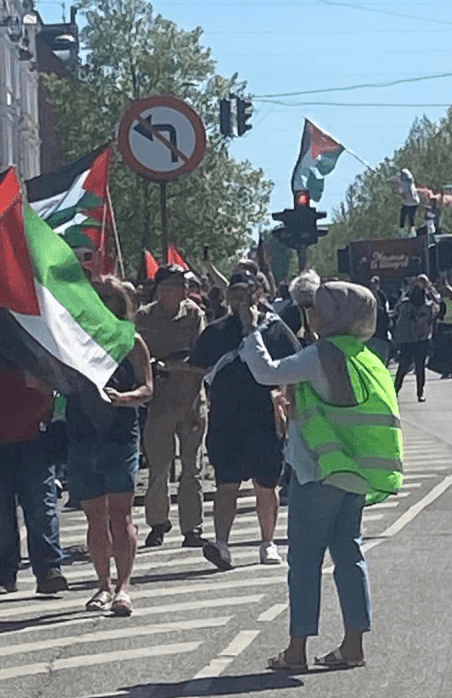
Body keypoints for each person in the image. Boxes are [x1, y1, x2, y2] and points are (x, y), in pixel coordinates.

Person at [242, 282, 401, 673]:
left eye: (316, 307)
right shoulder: (366, 356)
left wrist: (250, 329)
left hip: (321, 470)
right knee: (349, 554)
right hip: (358, 473)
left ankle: (296, 649)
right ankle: (353, 644)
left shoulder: (321, 354)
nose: (310, 313)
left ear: (330, 316)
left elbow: (266, 372)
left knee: (305, 560)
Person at [189, 271, 301, 571]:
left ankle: (268, 542)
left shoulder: (275, 330)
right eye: (234, 292)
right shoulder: (216, 331)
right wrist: (192, 409)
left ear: (259, 296)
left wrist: (290, 407)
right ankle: (222, 544)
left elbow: (294, 369)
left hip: (264, 417)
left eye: (246, 293)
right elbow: (196, 372)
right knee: (227, 483)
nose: (239, 299)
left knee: (266, 485)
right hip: (226, 418)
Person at [67, 277, 153, 616]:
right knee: (94, 517)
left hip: (120, 435)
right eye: (96, 297)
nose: (101, 303)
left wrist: (124, 398)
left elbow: (147, 388)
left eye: (107, 298)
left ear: (120, 304)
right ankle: (101, 584)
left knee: (121, 514)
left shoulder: (131, 340)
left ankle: (123, 587)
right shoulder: (72, 339)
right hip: (83, 433)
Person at [135, 266, 208, 549]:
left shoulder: (194, 315)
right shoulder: (145, 317)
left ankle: (192, 528)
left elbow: (201, 356)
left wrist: (170, 365)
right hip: (160, 403)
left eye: (181, 286)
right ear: (160, 289)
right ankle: (157, 523)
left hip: (191, 402)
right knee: (159, 468)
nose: (177, 291)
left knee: (192, 469)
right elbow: (139, 355)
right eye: (171, 286)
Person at [0, 357, 67, 595]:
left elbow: (57, 381)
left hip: (34, 436)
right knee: (3, 514)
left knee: (42, 506)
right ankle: (5, 573)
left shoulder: (32, 344)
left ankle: (49, 570)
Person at [392, 276, 437, 403]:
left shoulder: (428, 306)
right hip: (409, 339)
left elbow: (438, 310)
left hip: (420, 339)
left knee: (418, 367)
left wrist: (429, 291)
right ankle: (396, 390)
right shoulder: (406, 304)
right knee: (405, 367)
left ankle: (419, 393)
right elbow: (398, 312)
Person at [431, 283, 452, 379]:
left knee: (445, 351)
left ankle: (446, 371)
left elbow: (441, 314)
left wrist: (435, 314)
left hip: (444, 326)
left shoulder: (444, 302)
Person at [366, 277, 391, 364]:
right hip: (369, 330)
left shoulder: (381, 295)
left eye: (375, 283)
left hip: (380, 330)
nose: (373, 285)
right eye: (372, 284)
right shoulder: (367, 295)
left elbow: (384, 310)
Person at [395, 168, 419, 232]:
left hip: (411, 202)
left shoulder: (409, 184)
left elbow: (410, 192)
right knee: (405, 215)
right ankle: (403, 229)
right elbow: (402, 192)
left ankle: (409, 230)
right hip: (409, 202)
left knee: (409, 216)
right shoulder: (404, 183)